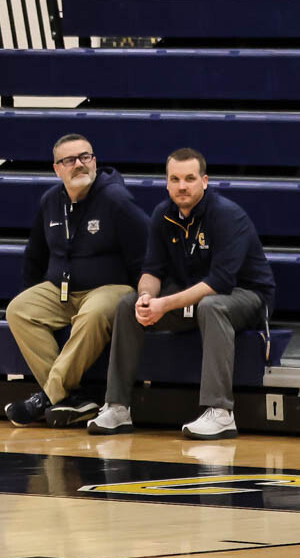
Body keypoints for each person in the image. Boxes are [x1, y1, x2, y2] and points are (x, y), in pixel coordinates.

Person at [88, 148, 275, 440]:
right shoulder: (163, 215)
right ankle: (117, 407)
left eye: (189, 178)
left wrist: (165, 304)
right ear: (167, 183)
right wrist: (147, 298)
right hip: (193, 296)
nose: (182, 186)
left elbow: (220, 282)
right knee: (128, 305)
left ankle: (221, 412)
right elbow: (152, 270)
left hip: (246, 296)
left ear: (205, 181)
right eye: (175, 179)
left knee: (211, 306)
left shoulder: (227, 215)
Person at [4, 134, 148, 427]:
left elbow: (146, 251)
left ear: (94, 161)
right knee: (19, 309)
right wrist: (32, 290)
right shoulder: (50, 201)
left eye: (85, 157)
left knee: (93, 312)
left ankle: (47, 396)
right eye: (69, 160)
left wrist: (145, 297)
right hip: (62, 290)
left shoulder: (116, 200)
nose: (79, 164)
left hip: (111, 288)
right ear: (57, 169)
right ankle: (71, 400)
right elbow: (35, 256)